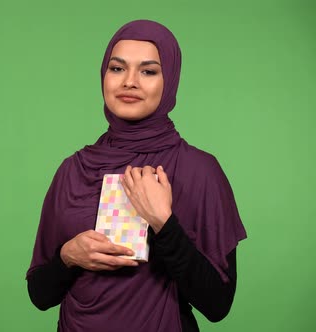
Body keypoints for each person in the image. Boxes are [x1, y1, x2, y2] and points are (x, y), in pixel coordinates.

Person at [26, 20, 247, 332]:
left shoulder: (198, 170)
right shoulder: (73, 170)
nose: (129, 82)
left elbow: (217, 304)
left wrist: (163, 224)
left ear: (169, 80)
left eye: (148, 71)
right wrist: (67, 257)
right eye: (117, 68)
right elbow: (39, 294)